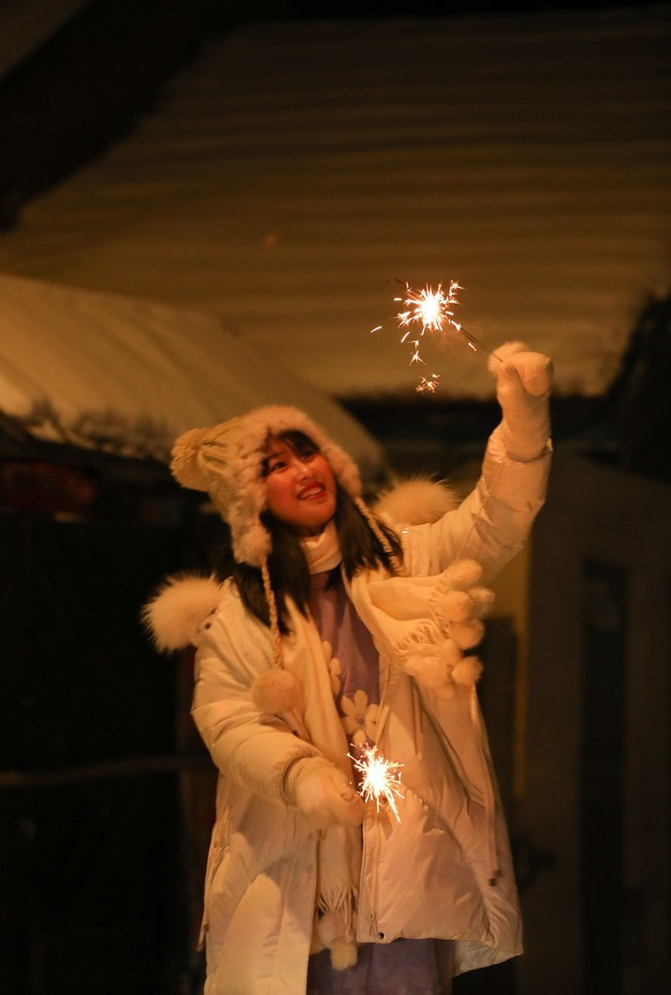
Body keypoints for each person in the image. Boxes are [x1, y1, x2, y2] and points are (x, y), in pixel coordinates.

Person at [144, 341, 552, 995]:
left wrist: (523, 426)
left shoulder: (403, 561)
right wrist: (299, 773)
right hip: (293, 875)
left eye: (307, 452)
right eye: (275, 466)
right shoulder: (241, 611)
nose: (304, 471)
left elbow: (494, 521)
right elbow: (228, 719)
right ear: (249, 500)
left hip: (407, 864)